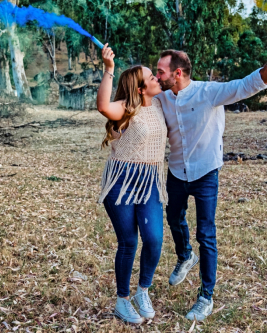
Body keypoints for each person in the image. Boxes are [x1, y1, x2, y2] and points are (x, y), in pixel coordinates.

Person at [156, 44, 267, 321]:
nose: (157, 76)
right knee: (173, 217)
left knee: (206, 234)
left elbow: (246, 86)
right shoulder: (162, 98)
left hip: (206, 172)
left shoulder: (209, 92)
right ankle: (185, 256)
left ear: (177, 73)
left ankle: (206, 297)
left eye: (161, 71)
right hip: (177, 172)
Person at [96, 43, 168, 324]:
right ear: (139, 89)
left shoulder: (161, 103)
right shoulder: (126, 108)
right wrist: (109, 70)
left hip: (150, 181)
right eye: (151, 78)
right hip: (122, 182)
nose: (156, 79)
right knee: (128, 242)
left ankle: (142, 291)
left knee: (154, 240)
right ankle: (122, 300)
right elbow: (103, 106)